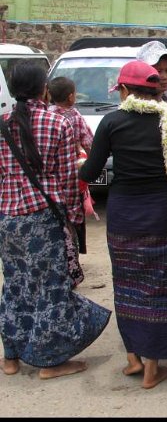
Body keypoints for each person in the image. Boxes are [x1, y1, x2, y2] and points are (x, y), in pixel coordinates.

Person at [80, 60, 167, 389]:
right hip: (162, 213)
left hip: (123, 217)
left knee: (128, 284)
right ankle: (151, 364)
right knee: (162, 284)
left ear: (123, 90)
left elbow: (90, 173)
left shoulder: (111, 121)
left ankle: (135, 359)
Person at [1, 62, 110, 379]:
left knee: (15, 285)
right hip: (43, 218)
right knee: (51, 290)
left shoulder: (2, 124)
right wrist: (72, 221)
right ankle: (50, 362)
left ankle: (10, 358)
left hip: (7, 219)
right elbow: (66, 180)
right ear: (43, 89)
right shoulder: (57, 122)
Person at [48, 76, 95, 287]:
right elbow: (89, 142)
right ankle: (72, 266)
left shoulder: (46, 115)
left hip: (47, 182)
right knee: (71, 225)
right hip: (71, 179)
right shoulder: (74, 117)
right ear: (71, 97)